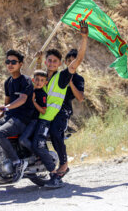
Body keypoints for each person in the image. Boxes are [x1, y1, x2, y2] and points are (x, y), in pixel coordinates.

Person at [32, 20, 89, 188]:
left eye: (54, 61)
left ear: (59, 64)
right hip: (44, 112)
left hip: (60, 112)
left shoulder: (63, 76)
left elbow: (78, 59)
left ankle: (62, 166)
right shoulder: (42, 76)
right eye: (48, 61)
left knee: (56, 134)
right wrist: (38, 60)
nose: (51, 63)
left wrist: (84, 38)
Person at [0, 49, 35, 183]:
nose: (10, 64)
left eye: (13, 62)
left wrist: (6, 107)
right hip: (9, 117)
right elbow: (6, 103)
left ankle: (17, 163)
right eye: (7, 62)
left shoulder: (26, 81)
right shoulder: (8, 82)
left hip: (22, 119)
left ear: (21, 64)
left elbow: (22, 99)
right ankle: (0, 168)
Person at [49, 49, 85, 180]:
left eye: (73, 61)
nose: (71, 63)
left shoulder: (78, 79)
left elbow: (80, 98)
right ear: (64, 62)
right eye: (69, 61)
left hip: (63, 111)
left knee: (55, 132)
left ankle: (64, 164)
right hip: (50, 109)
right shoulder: (58, 75)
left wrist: (70, 82)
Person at [19, 70, 48, 153]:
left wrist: (33, 101)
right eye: (37, 79)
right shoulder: (29, 91)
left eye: (42, 80)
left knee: (23, 140)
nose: (39, 82)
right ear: (33, 80)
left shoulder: (42, 94)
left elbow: (43, 111)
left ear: (45, 83)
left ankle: (37, 155)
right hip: (25, 119)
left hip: (34, 121)